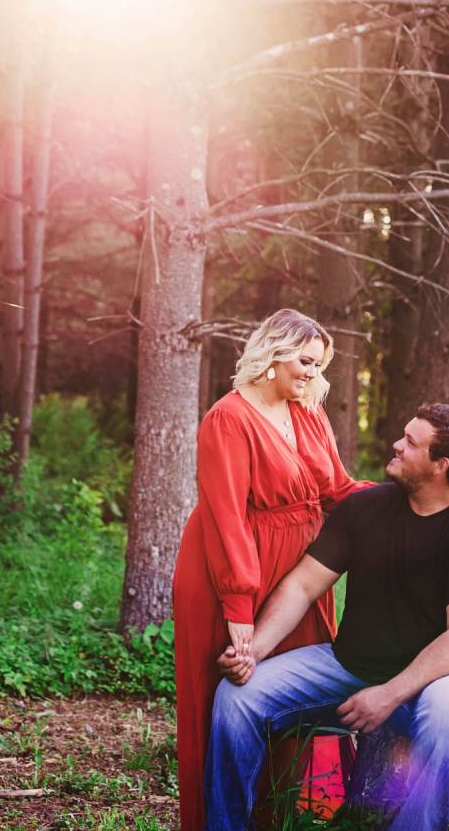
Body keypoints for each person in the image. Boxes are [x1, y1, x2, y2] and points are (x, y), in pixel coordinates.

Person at [205, 403, 449, 831]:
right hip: (349, 667)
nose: (397, 445)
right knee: (237, 697)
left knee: (447, 716)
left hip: (442, 680)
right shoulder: (364, 510)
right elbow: (302, 586)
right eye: (404, 435)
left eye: (411, 443)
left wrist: (389, 694)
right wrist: (253, 651)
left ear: (441, 465)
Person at [171, 309, 374, 831]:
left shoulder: (307, 412)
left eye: (318, 364)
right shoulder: (229, 418)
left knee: (292, 697)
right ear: (273, 352)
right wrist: (238, 609)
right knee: (233, 692)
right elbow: (226, 519)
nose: (312, 373)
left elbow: (336, 491)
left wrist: (405, 496)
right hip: (232, 569)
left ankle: (286, 817)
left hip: (300, 575)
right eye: (305, 361)